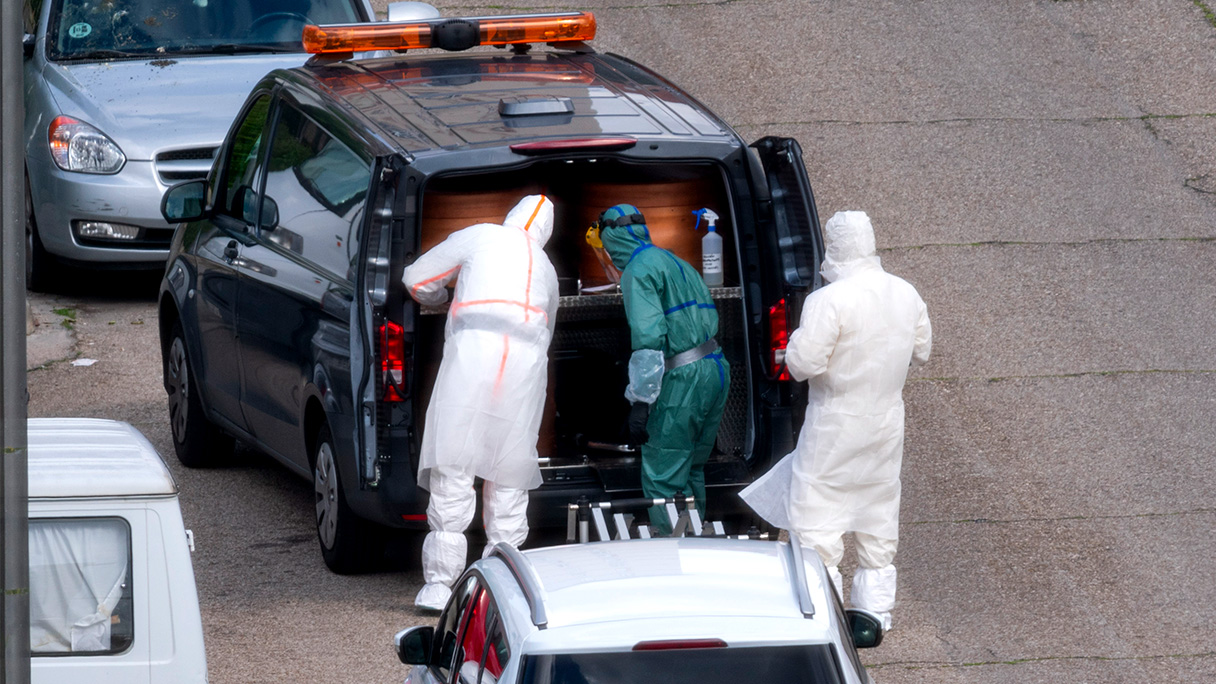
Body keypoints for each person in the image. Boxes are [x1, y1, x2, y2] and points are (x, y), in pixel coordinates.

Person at [740, 210, 931, 631]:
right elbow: (922, 351)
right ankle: (873, 613)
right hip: (885, 423)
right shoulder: (906, 293)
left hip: (835, 423)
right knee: (879, 511)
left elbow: (804, 363)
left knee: (816, 513)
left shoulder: (828, 300)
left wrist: (791, 344)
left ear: (835, 247)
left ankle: (821, 609)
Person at [402, 195, 559, 611]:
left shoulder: (479, 236)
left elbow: (417, 279)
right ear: (545, 232)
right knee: (508, 471)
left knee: (455, 464)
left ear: (510, 217)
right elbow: (550, 330)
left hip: (471, 362)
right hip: (524, 374)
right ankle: (502, 588)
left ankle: (438, 585)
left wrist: (441, 301)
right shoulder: (547, 269)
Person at [587, 204, 729, 535]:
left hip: (684, 380)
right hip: (714, 369)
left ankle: (671, 556)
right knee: (691, 468)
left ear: (612, 240)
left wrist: (640, 400)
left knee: (664, 476)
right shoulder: (676, 261)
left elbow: (650, 338)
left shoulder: (638, 270)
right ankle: (695, 545)